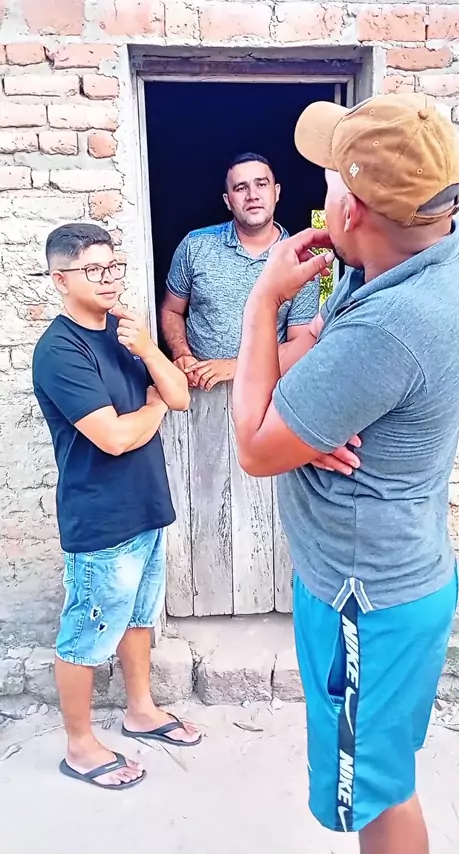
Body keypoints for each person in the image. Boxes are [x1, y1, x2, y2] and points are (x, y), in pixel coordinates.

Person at [232, 94, 459, 853]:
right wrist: (309, 414)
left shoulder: (391, 323)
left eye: (331, 177)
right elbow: (316, 353)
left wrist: (262, 300)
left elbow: (254, 449)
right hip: (387, 573)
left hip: (362, 599)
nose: (322, 191)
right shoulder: (422, 259)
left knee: (376, 795)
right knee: (384, 774)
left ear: (356, 210)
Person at [32, 223, 201, 791]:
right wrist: (153, 409)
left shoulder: (124, 331)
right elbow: (113, 438)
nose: (108, 279)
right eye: (92, 270)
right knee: (85, 634)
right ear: (61, 279)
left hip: (147, 505)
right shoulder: (60, 351)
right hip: (101, 518)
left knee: (138, 618)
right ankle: (80, 746)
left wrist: (149, 348)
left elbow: (179, 396)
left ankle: (141, 710)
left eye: (113, 267)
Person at [161, 152, 321, 388]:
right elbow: (171, 310)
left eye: (261, 184)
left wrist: (235, 366)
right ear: (228, 200)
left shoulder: (301, 261)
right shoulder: (195, 245)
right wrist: (181, 353)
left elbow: (299, 345)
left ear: (276, 192)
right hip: (197, 394)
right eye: (241, 187)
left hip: (263, 393)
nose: (252, 195)